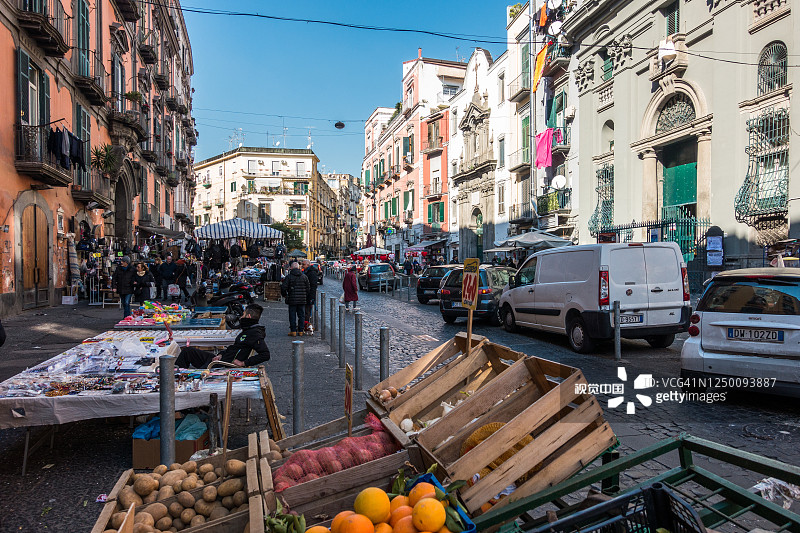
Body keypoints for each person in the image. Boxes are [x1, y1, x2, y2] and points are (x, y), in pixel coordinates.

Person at [176, 304, 270, 369]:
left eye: (243, 314)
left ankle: (177, 381)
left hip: (223, 365)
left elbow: (265, 354)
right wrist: (221, 354)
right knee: (187, 351)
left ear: (248, 316)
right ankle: (175, 376)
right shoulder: (248, 329)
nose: (241, 317)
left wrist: (244, 363)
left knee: (196, 370)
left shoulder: (254, 333)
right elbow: (234, 349)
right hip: (221, 358)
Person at [281, 261, 310, 336]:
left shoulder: (289, 277)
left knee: (292, 315)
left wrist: (284, 295)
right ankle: (300, 330)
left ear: (291, 268)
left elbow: (283, 287)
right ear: (298, 267)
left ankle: (293, 331)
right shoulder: (304, 277)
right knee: (301, 315)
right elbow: (308, 288)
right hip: (302, 299)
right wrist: (305, 296)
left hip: (292, 299)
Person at [302, 259, 320, 332]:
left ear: (307, 265)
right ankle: (305, 325)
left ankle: (307, 326)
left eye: (303, 264)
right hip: (306, 294)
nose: (302, 266)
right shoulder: (307, 271)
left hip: (309, 295)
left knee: (307, 311)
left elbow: (313, 286)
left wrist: (311, 297)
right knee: (305, 311)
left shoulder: (311, 273)